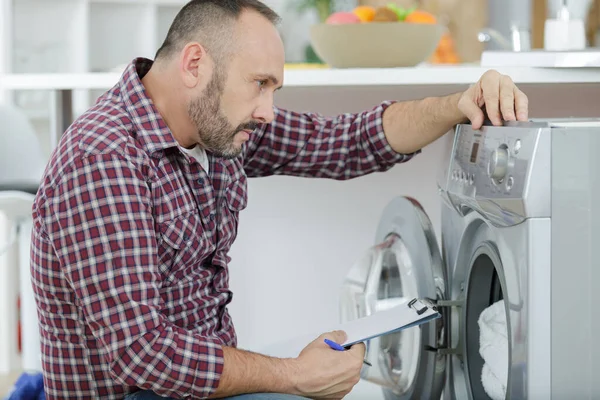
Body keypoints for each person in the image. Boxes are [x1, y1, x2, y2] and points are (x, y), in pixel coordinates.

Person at [29, 1, 529, 399]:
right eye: (260, 84)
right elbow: (144, 352)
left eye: (275, 87)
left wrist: (459, 103)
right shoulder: (103, 159)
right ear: (195, 64)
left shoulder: (217, 127)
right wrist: (294, 375)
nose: (269, 111)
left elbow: (346, 140)